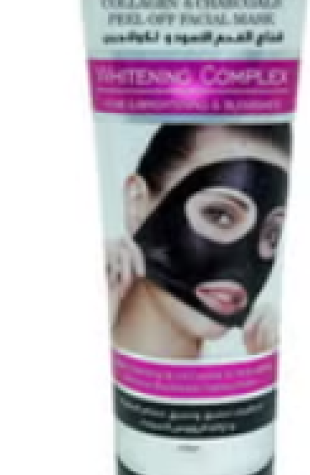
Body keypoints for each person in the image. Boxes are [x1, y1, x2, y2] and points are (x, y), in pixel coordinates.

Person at [106, 123, 290, 359]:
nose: (244, 262)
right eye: (219, 215)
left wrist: (270, 361)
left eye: (272, 234)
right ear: (137, 201)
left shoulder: (253, 355)